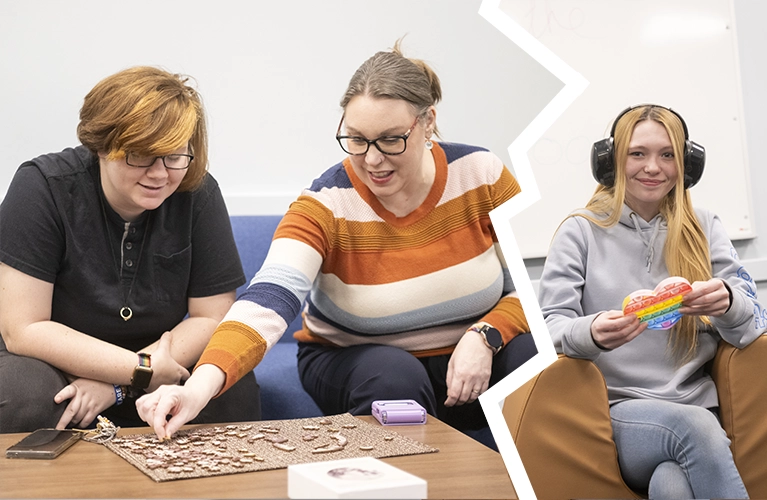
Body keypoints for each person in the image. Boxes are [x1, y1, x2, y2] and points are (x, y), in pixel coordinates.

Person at [135, 43, 537, 442]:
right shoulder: (326, 204)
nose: (373, 160)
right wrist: (196, 388)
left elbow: (530, 288)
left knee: (535, 355)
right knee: (395, 375)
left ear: (428, 121)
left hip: (473, 356)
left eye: (390, 139)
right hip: (355, 359)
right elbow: (269, 298)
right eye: (356, 140)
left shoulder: (481, 174)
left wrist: (486, 334)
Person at [0, 66, 261, 433]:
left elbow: (212, 317)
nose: (159, 174)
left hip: (158, 358)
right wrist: (140, 371)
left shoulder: (197, 193)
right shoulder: (42, 187)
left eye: (174, 156)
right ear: (102, 145)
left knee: (230, 385)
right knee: (26, 393)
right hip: (50, 361)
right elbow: (23, 329)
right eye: (140, 155)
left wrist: (119, 386)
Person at [538, 104, 767, 498]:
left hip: (698, 407)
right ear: (611, 161)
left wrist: (729, 302)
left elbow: (755, 324)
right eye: (638, 153)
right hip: (622, 413)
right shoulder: (580, 231)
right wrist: (591, 332)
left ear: (686, 164)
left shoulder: (705, 227)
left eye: (667, 155)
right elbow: (549, 327)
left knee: (671, 484)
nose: (652, 167)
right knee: (694, 428)